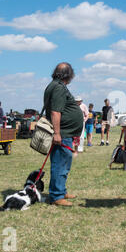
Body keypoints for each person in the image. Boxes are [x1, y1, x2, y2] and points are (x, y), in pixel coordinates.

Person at [43, 62, 83, 207]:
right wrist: (57, 133)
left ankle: (61, 190)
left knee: (64, 163)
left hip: (66, 133)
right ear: (69, 74)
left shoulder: (54, 85)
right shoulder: (59, 88)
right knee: (60, 164)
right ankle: (56, 196)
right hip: (63, 134)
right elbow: (55, 112)